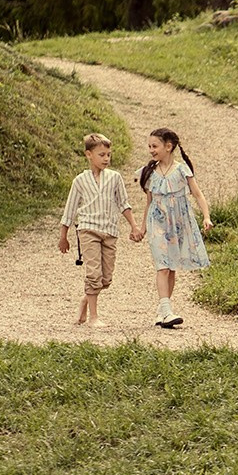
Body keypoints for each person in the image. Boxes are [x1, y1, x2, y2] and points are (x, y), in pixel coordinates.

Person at [57, 133, 141, 327]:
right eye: (102, 154)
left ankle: (85, 301)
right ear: (89, 155)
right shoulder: (80, 181)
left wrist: (134, 226)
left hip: (109, 231)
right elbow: (70, 209)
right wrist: (63, 236)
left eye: (108, 155)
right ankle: (93, 317)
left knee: (106, 278)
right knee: (93, 274)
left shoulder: (115, 178)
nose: (106, 159)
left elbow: (123, 204)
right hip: (88, 231)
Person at [137, 126, 211, 329]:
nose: (151, 150)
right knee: (162, 266)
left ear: (168, 147)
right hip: (157, 224)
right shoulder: (150, 172)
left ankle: (164, 311)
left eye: (155, 146)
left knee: (171, 269)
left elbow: (198, 194)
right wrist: (142, 228)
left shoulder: (181, 170)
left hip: (177, 224)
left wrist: (206, 217)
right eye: (149, 146)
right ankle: (167, 310)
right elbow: (148, 203)